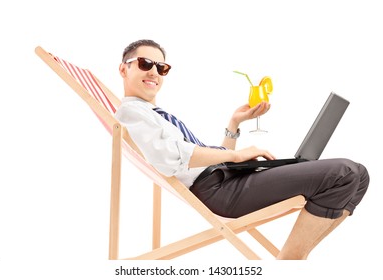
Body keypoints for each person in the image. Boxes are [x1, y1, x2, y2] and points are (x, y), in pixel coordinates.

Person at [114, 39, 370, 260]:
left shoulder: (152, 114)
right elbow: (170, 158)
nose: (155, 72)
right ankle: (290, 263)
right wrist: (235, 155)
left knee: (359, 176)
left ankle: (291, 259)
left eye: (162, 67)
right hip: (220, 193)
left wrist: (234, 124)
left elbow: (203, 161)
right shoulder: (131, 112)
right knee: (344, 172)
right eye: (145, 64)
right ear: (124, 69)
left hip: (227, 179)